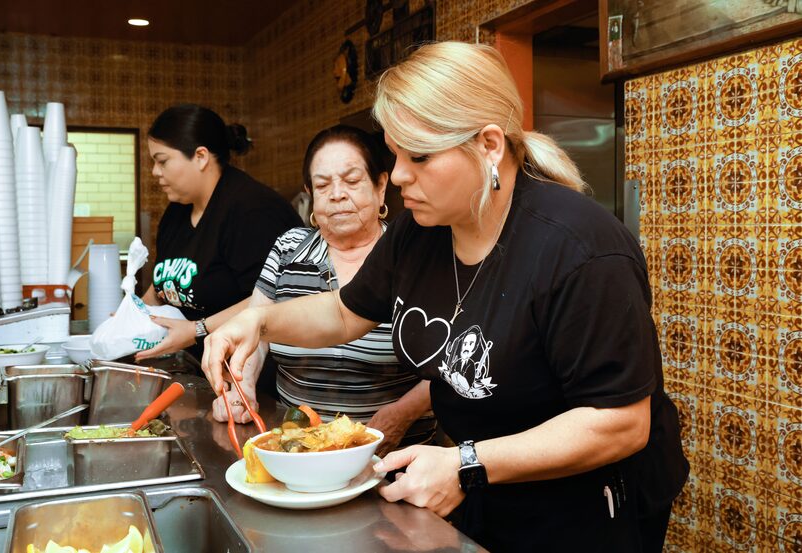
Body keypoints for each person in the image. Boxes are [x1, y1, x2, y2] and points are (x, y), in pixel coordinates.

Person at [202, 42, 688, 552]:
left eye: (419, 156)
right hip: (486, 485)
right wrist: (259, 322)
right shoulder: (420, 232)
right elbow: (343, 312)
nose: (401, 176)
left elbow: (621, 424)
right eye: (395, 154)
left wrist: (468, 463)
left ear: (489, 145)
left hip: (585, 507)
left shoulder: (580, 250)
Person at [210, 125, 436, 454]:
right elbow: (256, 336)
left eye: (352, 181)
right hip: (300, 450)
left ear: (381, 185)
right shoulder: (288, 249)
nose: (337, 194)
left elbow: (448, 360)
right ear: (310, 195)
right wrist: (241, 389)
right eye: (322, 184)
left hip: (398, 455)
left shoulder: (415, 254)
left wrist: (401, 415)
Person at [135, 104, 302, 361]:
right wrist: (130, 316)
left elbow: (275, 297)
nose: (155, 172)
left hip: (252, 369)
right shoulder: (176, 213)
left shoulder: (252, 210)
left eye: (163, 161)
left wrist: (196, 330)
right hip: (199, 363)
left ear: (200, 157)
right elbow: (161, 287)